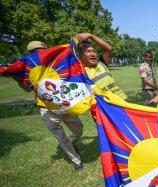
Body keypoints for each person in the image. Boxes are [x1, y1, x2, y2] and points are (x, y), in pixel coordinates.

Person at [19, 41, 84, 171]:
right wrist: (20, 82)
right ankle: (76, 161)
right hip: (46, 110)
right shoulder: (28, 70)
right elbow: (26, 89)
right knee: (61, 138)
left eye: (42, 51)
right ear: (30, 55)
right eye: (35, 52)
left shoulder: (56, 64)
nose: (39, 54)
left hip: (63, 106)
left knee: (78, 130)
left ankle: (71, 143)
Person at [75, 33, 128, 100]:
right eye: (88, 51)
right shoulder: (81, 73)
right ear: (80, 56)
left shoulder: (102, 63)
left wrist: (91, 36)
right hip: (104, 106)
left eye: (93, 51)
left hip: (121, 99)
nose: (92, 54)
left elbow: (108, 48)